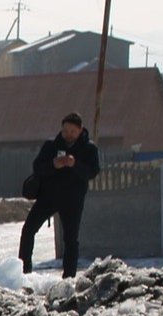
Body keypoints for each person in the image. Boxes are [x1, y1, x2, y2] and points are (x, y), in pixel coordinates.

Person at [19, 112, 101, 278]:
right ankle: (23, 272)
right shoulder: (51, 145)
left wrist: (74, 164)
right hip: (48, 197)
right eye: (65, 131)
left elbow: (92, 172)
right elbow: (37, 167)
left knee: (71, 239)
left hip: (73, 199)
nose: (68, 135)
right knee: (28, 230)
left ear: (80, 130)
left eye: (72, 132)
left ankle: (69, 277)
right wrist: (53, 164)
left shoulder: (88, 148)